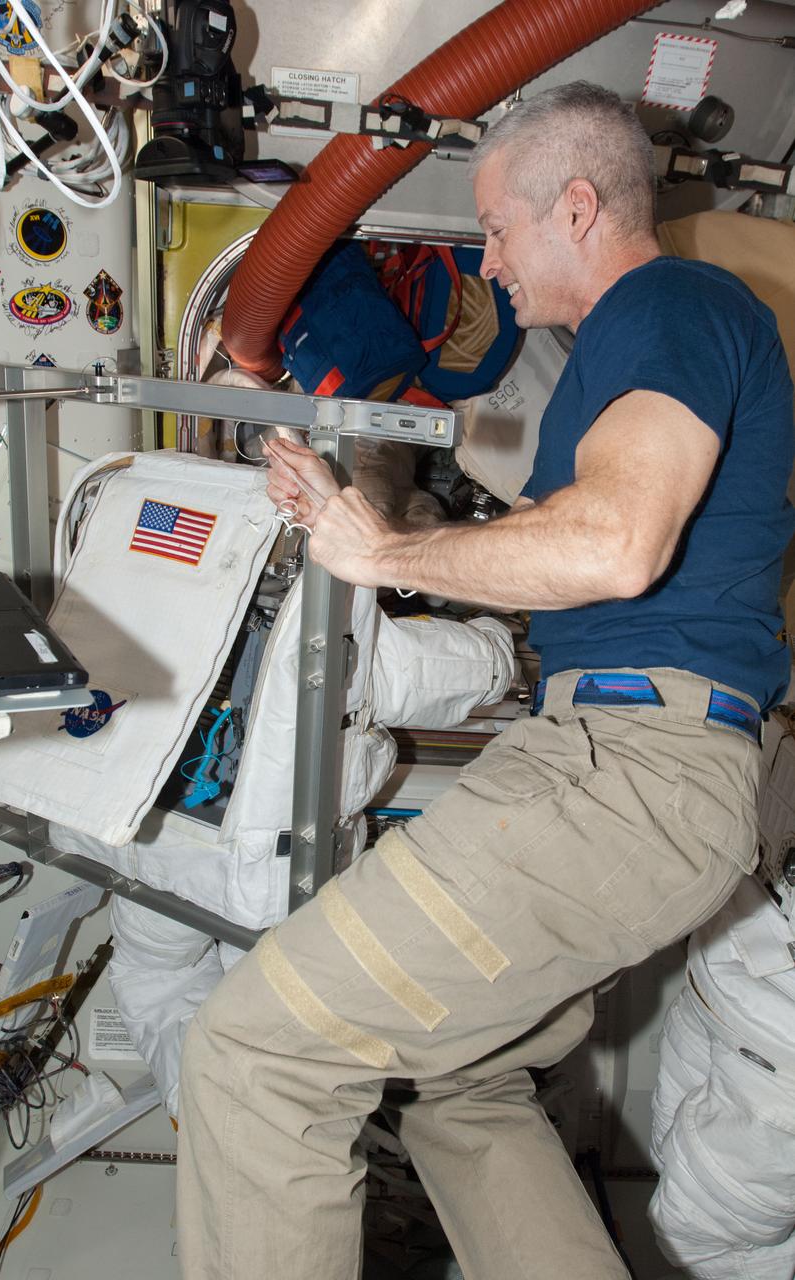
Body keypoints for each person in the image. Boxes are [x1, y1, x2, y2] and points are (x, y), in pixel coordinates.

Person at [176, 81, 795, 1280]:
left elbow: (611, 543)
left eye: (498, 229)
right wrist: (353, 513)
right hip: (648, 764)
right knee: (459, 1077)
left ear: (577, 206)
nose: (490, 262)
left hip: (634, 770)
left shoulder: (667, 301)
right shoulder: (624, 357)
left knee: (258, 1053)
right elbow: (573, 550)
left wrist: (388, 554)